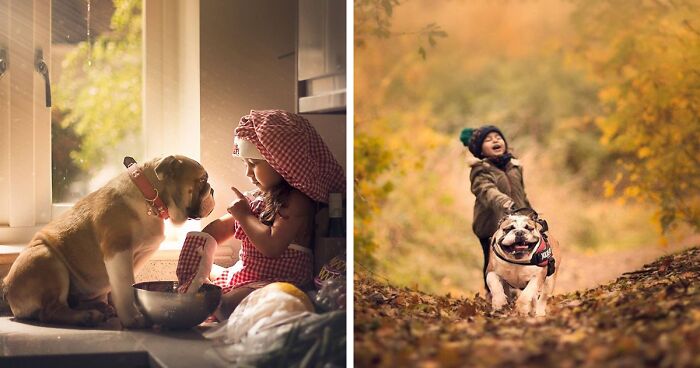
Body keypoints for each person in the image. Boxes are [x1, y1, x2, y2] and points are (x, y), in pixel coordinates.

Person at [176, 110, 345, 321]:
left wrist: (244, 215)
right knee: (216, 277)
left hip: (277, 283)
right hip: (248, 275)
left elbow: (272, 246)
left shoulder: (297, 201)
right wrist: (199, 254)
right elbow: (219, 231)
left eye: (254, 164)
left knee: (250, 298)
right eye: (245, 164)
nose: (248, 173)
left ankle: (216, 305)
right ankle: (205, 298)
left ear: (283, 163)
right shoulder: (257, 198)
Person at [460, 125, 532, 290]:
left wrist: (529, 213)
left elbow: (522, 195)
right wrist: (504, 201)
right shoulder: (480, 170)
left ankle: (515, 289)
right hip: (491, 226)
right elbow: (487, 190)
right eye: (488, 139)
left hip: (516, 222)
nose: (495, 140)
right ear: (480, 150)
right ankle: (492, 293)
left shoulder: (515, 167)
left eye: (498, 137)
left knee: (519, 255)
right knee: (493, 262)